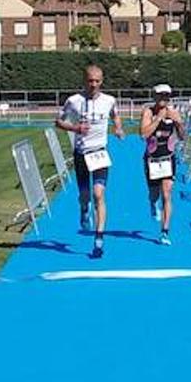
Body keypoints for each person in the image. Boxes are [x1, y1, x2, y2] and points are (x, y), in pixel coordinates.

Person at [56, 64, 124, 258]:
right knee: (85, 195)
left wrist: (118, 128)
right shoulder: (74, 101)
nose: (93, 84)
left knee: (99, 194)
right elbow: (59, 121)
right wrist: (75, 128)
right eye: (90, 81)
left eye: (97, 81)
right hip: (81, 154)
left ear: (102, 81)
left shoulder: (109, 100)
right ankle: (83, 209)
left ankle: (99, 238)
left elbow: (115, 116)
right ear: (84, 80)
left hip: (100, 153)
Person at [139, 83, 186, 246]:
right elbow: (143, 134)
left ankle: (165, 232)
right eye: (160, 96)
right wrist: (158, 118)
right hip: (152, 159)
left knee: (167, 193)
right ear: (154, 97)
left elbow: (183, 136)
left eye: (166, 96)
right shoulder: (148, 112)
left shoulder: (173, 113)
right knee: (155, 195)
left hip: (168, 158)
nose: (163, 99)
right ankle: (152, 203)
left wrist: (179, 123)